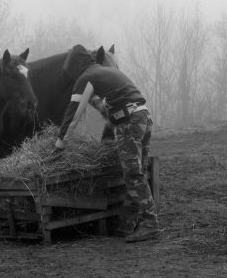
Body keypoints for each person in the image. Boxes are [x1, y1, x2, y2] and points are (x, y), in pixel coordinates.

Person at [52, 44, 159, 242]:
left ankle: (150, 224)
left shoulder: (86, 78)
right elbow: (108, 104)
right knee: (138, 172)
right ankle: (127, 224)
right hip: (143, 116)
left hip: (129, 122)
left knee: (133, 174)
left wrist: (59, 146)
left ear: (75, 67)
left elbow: (73, 114)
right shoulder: (105, 71)